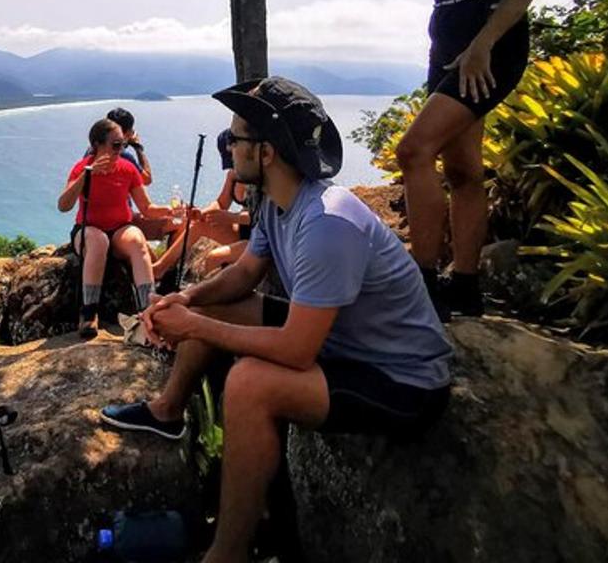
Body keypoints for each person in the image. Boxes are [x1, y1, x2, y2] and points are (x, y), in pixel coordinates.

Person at [100, 77, 453, 563]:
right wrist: (185, 298)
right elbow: (244, 274)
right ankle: (169, 412)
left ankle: (227, 553)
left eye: (237, 138)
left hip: (398, 377)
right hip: (342, 340)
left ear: (265, 152)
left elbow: (296, 351)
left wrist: (195, 328)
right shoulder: (280, 204)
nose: (230, 147)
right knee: (206, 304)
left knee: (249, 384)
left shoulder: (326, 223)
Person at [262, 0, 549, 318]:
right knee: (462, 169)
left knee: (414, 151)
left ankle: (419, 278)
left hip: (492, 48)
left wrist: (484, 43)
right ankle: (464, 285)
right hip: (445, 53)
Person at [59, 118, 174, 338]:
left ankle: (148, 310)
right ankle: (89, 313)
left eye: (123, 144)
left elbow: (146, 208)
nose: (121, 150)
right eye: (115, 145)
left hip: (120, 228)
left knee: (137, 240)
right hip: (88, 230)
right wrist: (86, 175)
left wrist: (171, 210)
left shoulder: (127, 168)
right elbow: (63, 205)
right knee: (99, 241)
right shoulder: (81, 168)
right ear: (97, 145)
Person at [151, 129, 252, 282]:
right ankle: (160, 268)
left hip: (260, 240)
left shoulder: (258, 179)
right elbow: (221, 203)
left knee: (214, 257)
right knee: (198, 225)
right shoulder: (233, 175)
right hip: (241, 232)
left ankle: (211, 299)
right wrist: (202, 213)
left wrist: (231, 218)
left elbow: (262, 218)